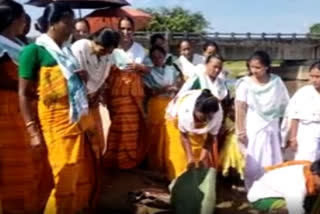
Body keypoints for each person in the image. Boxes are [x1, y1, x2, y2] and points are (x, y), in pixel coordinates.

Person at [18, 3, 98, 213]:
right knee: (63, 173)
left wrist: (81, 78)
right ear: (53, 23)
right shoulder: (33, 51)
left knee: (74, 174)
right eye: (68, 23)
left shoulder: (66, 54)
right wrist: (32, 129)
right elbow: (24, 94)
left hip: (74, 122)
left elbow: (73, 87)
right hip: (54, 124)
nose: (72, 29)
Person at [0, 1, 53, 213]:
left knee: (35, 162)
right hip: (6, 114)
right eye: (23, 17)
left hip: (27, 111)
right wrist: (26, 87)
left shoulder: (20, 45)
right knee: (14, 167)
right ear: (13, 19)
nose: (25, 22)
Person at [235, 50, 290, 190]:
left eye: (258, 67)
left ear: (266, 67)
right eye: (251, 67)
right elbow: (240, 107)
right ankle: (254, 189)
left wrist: (287, 130)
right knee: (254, 159)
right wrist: (241, 130)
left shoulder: (276, 82)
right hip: (254, 124)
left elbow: (285, 105)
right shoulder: (245, 83)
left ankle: (273, 188)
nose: (254, 71)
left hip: (272, 125)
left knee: (273, 156)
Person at [102, 16, 149, 169]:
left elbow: (148, 69)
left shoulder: (139, 49)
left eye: (129, 29)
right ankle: (113, 159)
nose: (126, 32)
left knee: (132, 127)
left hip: (134, 94)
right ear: (118, 30)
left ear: (133, 31)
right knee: (116, 126)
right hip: (116, 92)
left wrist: (140, 67)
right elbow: (105, 70)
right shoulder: (112, 48)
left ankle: (129, 160)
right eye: (122, 28)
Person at [71, 27, 119, 160]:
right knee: (83, 138)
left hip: (94, 100)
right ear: (95, 41)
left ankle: (95, 168)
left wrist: (97, 93)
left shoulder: (107, 56)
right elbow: (75, 75)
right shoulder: (80, 48)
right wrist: (85, 96)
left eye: (108, 52)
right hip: (78, 102)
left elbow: (102, 77)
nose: (104, 55)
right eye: (103, 50)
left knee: (96, 135)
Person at [165, 89, 223, 179]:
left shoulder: (217, 115)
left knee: (199, 160)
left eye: (208, 118)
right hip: (177, 123)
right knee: (180, 157)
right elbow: (184, 136)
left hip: (198, 131)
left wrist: (202, 159)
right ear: (195, 109)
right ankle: (177, 180)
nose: (206, 120)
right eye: (202, 117)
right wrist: (189, 157)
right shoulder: (185, 110)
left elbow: (210, 138)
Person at [143, 45, 182, 172]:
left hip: (171, 104)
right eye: (154, 57)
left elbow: (179, 85)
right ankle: (156, 164)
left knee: (170, 134)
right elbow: (149, 92)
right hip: (156, 105)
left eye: (160, 56)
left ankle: (169, 163)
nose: (157, 59)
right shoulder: (148, 72)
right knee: (156, 135)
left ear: (164, 57)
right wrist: (163, 89)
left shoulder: (171, 70)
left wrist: (175, 88)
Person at [247, 160, 320, 214]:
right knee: (287, 209)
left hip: (279, 189)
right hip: (261, 198)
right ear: (315, 174)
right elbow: (295, 211)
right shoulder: (297, 186)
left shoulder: (310, 167)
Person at [285, 61, 320, 162]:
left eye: (317, 77)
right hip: (307, 131)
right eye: (312, 76)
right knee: (306, 162)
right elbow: (294, 116)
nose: (314, 80)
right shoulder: (303, 93)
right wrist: (293, 138)